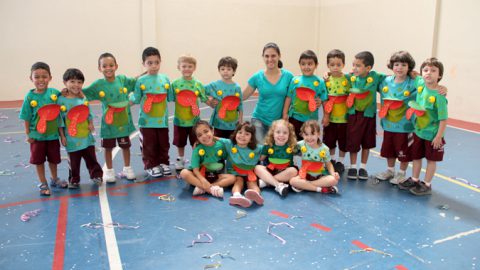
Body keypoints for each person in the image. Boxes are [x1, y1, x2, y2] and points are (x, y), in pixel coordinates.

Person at [83, 53, 137, 182]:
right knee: (108, 147)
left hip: (123, 121)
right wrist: (66, 92)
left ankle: (127, 168)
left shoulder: (122, 80)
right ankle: (109, 170)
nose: (108, 68)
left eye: (111, 65)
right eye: (104, 66)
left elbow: (136, 82)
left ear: (116, 66)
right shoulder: (98, 84)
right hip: (108, 123)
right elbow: (83, 92)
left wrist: (147, 75)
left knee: (125, 146)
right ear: (99, 68)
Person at [398, 58, 448, 195]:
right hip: (418, 132)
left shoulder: (440, 96)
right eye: (425, 70)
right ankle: (414, 179)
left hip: (432, 135)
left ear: (439, 75)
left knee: (431, 160)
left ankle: (426, 184)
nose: (429, 73)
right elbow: (411, 73)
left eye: (433, 71)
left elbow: (443, 120)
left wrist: (439, 137)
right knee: (416, 157)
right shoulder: (420, 82)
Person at [19, 62, 67, 196]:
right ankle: (43, 182)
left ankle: (54, 178)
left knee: (53, 159)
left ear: (50, 78)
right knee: (39, 160)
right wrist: (28, 133)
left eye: (44, 76)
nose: (41, 80)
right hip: (37, 137)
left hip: (52, 135)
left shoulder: (54, 94)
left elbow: (62, 104)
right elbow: (26, 117)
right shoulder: (29, 97)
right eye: (37, 77)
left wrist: (61, 135)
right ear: (31, 78)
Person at [375, 51, 418, 184]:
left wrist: (418, 75)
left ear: (409, 67)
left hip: (405, 127)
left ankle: (401, 173)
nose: (399, 67)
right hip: (388, 125)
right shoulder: (385, 81)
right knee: (389, 150)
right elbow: (368, 80)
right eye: (396, 64)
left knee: (404, 152)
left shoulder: (413, 82)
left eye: (403, 65)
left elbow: (427, 84)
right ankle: (390, 170)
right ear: (392, 66)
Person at [130, 47, 172, 178]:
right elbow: (135, 98)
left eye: (156, 62)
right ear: (143, 64)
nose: (154, 66)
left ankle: (163, 163)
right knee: (149, 145)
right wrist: (121, 104)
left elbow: (171, 96)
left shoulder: (165, 79)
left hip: (162, 121)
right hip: (146, 121)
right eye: (150, 63)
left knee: (164, 143)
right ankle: (150, 165)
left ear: (160, 62)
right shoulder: (141, 81)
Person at [57, 68, 103, 188]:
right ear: (65, 83)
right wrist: (62, 136)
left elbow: (88, 112)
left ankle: (96, 175)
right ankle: (74, 179)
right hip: (71, 138)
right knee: (74, 161)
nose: (76, 85)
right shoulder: (60, 100)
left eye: (79, 82)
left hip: (86, 136)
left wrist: (91, 123)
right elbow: (60, 120)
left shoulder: (83, 98)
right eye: (72, 81)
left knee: (91, 157)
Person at [345, 51, 386, 180]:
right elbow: (337, 76)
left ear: (368, 68)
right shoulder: (351, 78)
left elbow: (392, 78)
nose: (354, 68)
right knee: (353, 142)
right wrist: (327, 74)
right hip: (354, 115)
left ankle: (362, 167)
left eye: (358, 65)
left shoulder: (375, 77)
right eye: (353, 65)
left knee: (366, 143)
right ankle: (352, 166)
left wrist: (412, 74)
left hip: (369, 116)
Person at [242, 42, 294, 143]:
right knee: (261, 150)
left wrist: (316, 99)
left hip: (278, 123)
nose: (270, 59)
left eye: (273, 56)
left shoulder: (288, 76)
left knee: (273, 154)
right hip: (259, 120)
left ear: (279, 56)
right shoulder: (257, 77)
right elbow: (242, 96)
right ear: (263, 57)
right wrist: (222, 97)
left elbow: (298, 92)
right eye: (267, 56)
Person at [179, 120, 236, 198]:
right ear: (197, 138)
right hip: (199, 176)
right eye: (199, 135)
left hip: (215, 175)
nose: (204, 136)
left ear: (212, 131)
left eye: (206, 131)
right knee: (184, 173)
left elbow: (229, 147)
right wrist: (203, 180)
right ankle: (211, 189)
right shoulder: (197, 149)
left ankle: (206, 187)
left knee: (232, 178)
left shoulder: (221, 145)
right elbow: (195, 170)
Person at [171, 54, 207, 170]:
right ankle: (180, 159)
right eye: (184, 66)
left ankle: (195, 160)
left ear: (194, 68)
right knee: (180, 142)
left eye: (190, 66)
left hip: (194, 121)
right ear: (179, 67)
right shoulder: (175, 84)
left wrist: (212, 102)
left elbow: (204, 98)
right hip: (180, 120)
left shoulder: (198, 84)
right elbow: (170, 97)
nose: (187, 69)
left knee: (195, 142)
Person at [283, 50, 327, 140]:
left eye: (310, 64)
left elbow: (324, 100)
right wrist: (285, 113)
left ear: (316, 65)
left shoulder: (320, 82)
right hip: (294, 118)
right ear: (299, 65)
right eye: (303, 64)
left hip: (311, 120)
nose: (306, 67)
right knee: (293, 142)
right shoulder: (295, 80)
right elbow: (288, 98)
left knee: (310, 142)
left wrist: (326, 116)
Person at [290, 120, 340, 194]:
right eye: (306, 134)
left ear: (318, 134)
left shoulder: (324, 148)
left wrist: (333, 173)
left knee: (334, 180)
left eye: (312, 134)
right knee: (292, 181)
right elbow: (290, 149)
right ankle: (320, 189)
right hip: (304, 175)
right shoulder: (301, 144)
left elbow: (328, 164)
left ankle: (305, 186)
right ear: (302, 135)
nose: (309, 137)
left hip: (319, 176)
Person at [322, 49, 351, 174]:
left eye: (338, 65)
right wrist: (325, 116)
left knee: (343, 141)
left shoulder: (348, 79)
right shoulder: (326, 80)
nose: (335, 67)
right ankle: (332, 159)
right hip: (330, 117)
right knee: (329, 140)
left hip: (344, 117)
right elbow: (324, 98)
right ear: (328, 65)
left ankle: (340, 161)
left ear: (343, 65)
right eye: (332, 65)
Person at [255, 119, 298, 197]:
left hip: (285, 172)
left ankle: (267, 182)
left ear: (289, 135)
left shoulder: (292, 146)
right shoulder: (268, 145)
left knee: (293, 171)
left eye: (285, 133)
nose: (281, 135)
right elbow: (261, 159)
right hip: (271, 170)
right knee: (257, 167)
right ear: (273, 134)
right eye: (278, 132)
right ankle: (278, 185)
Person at [226, 122, 264, 207]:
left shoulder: (257, 148)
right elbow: (216, 140)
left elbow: (267, 147)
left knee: (253, 184)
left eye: (247, 134)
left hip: (250, 173)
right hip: (236, 173)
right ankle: (236, 195)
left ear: (251, 139)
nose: (242, 135)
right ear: (235, 134)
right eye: (240, 132)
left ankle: (255, 195)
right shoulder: (230, 145)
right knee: (238, 181)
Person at [205, 56, 243, 139]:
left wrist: (240, 120)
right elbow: (201, 91)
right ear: (219, 70)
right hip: (219, 123)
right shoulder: (214, 85)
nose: (225, 71)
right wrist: (209, 101)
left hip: (232, 124)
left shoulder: (236, 87)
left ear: (234, 71)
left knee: (231, 144)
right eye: (223, 69)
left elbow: (240, 105)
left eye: (229, 69)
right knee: (219, 145)